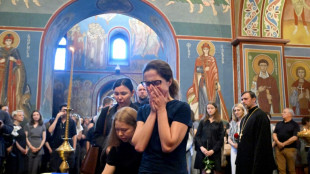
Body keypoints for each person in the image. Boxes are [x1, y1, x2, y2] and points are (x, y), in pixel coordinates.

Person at [132, 59, 192, 173]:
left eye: (156, 83)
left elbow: (167, 146)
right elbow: (139, 145)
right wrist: (153, 112)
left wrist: (161, 109)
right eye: (147, 83)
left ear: (169, 81)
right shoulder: (143, 110)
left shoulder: (181, 108)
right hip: (146, 170)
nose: (151, 88)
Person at [94, 78, 138, 174]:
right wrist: (108, 146)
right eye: (116, 94)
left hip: (132, 157)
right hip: (109, 157)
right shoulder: (106, 112)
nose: (119, 97)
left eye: (123, 93)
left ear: (132, 93)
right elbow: (97, 135)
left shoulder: (138, 111)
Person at [235, 91, 276, 174]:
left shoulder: (261, 116)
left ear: (254, 99)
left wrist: (257, 163)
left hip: (255, 161)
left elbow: (262, 142)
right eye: (242, 99)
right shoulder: (245, 117)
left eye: (246, 99)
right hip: (244, 160)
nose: (243, 101)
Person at [186, 42, 228, 120]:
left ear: (209, 50)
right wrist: (204, 69)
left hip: (212, 81)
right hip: (203, 81)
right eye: (204, 49)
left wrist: (217, 82)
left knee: (214, 98)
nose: (206, 50)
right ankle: (204, 115)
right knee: (204, 97)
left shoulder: (212, 59)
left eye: (207, 49)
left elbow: (215, 71)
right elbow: (197, 70)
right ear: (202, 50)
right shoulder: (199, 59)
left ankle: (215, 116)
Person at [102, 107, 142, 174]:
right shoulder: (116, 147)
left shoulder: (144, 147)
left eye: (124, 130)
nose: (120, 134)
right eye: (117, 130)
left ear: (136, 127)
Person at [194, 103, 224, 174]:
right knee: (204, 171)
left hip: (214, 151)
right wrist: (201, 148)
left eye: (212, 108)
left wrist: (213, 150)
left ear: (216, 109)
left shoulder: (219, 122)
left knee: (216, 170)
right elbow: (197, 136)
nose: (210, 110)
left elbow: (221, 138)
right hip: (203, 151)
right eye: (208, 108)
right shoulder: (202, 121)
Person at [48, 104, 77, 173]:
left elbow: (74, 135)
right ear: (60, 111)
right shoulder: (54, 120)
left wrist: (74, 148)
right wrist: (57, 118)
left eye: (67, 110)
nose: (65, 112)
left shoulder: (72, 122)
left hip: (67, 148)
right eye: (64, 110)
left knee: (68, 168)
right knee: (55, 167)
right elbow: (50, 130)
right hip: (56, 147)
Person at [273, 108, 300, 174]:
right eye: (282, 112)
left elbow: (295, 137)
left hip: (290, 149)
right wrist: (278, 142)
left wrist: (284, 144)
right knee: (281, 170)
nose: (282, 113)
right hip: (279, 149)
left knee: (291, 169)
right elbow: (274, 134)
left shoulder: (295, 125)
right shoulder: (279, 124)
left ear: (290, 114)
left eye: (284, 112)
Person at [5, 110, 27, 174]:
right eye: (20, 115)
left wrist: (26, 149)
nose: (22, 116)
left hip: (22, 152)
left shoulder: (21, 127)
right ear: (14, 117)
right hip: (16, 151)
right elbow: (14, 139)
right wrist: (21, 149)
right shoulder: (12, 126)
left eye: (22, 115)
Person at [228, 103, 246, 174]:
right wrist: (233, 144)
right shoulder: (233, 123)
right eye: (235, 110)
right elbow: (229, 138)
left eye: (238, 110)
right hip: (234, 148)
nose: (236, 112)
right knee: (234, 167)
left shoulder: (246, 121)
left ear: (243, 111)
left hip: (244, 148)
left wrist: (240, 145)